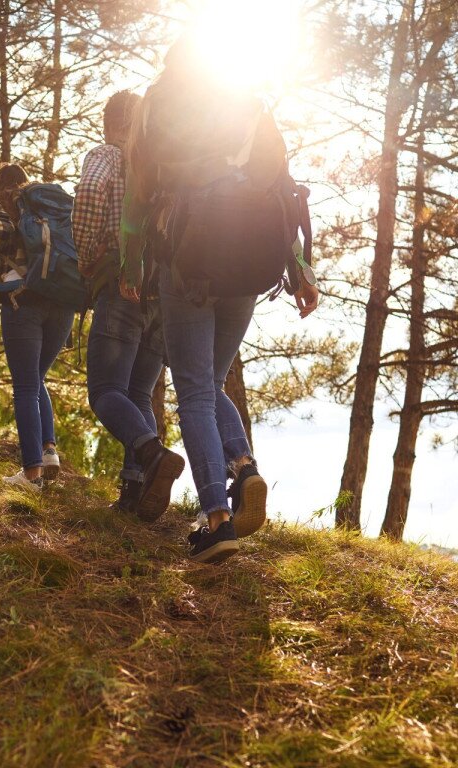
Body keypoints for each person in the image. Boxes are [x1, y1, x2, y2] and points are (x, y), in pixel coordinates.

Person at [121, 37, 319, 562]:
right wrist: (300, 270)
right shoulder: (246, 103)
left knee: (194, 394)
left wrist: (129, 263)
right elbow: (284, 187)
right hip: (251, 266)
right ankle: (244, 469)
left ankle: (217, 519)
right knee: (209, 383)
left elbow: (138, 197)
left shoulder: (158, 105)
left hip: (188, 264)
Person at [73, 90, 184, 521]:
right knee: (138, 392)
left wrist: (85, 256)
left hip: (121, 283)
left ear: (108, 122)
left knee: (105, 392)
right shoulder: (163, 166)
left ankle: (153, 455)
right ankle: (134, 492)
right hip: (162, 293)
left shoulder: (108, 154)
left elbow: (88, 193)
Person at [0, 163, 74, 490]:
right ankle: (48, 452)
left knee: (26, 387)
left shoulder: (0, 205)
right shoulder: (44, 207)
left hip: (22, 301)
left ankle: (31, 475)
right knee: (36, 379)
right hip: (61, 302)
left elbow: (0, 232)